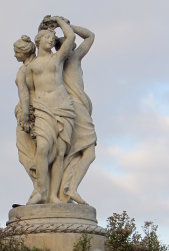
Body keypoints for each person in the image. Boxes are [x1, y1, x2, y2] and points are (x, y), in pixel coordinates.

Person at [24, 16, 76, 204]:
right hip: (43, 108)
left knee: (61, 151)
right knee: (44, 148)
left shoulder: (58, 58)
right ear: (38, 40)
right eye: (47, 38)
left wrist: (59, 22)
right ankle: (41, 191)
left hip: (63, 107)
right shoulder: (31, 67)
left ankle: (53, 195)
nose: (51, 40)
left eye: (52, 39)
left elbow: (69, 38)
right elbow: (29, 92)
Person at [56, 25, 97, 205]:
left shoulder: (59, 61)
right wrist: (65, 24)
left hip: (74, 107)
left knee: (73, 153)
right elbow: (90, 36)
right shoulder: (72, 58)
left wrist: (62, 24)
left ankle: (66, 189)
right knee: (89, 152)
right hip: (77, 108)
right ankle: (71, 188)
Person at [13, 35, 37, 202]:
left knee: (26, 154)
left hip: (28, 115)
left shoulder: (24, 70)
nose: (14, 55)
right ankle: (42, 189)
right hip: (42, 111)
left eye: (16, 52)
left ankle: (39, 188)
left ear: (24, 52)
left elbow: (25, 95)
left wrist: (24, 116)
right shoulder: (40, 63)